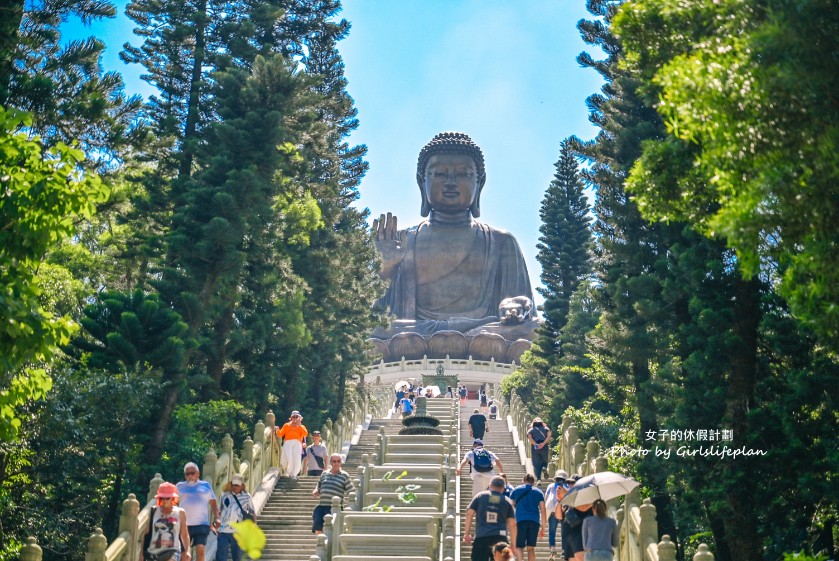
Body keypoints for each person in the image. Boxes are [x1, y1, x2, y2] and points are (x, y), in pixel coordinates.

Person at [371, 132, 537, 337]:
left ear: (480, 182)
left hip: (485, 332)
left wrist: (514, 305)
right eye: (439, 174)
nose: (450, 182)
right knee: (368, 331)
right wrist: (386, 268)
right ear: (421, 182)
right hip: (413, 334)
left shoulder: (501, 241)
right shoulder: (403, 242)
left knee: (535, 330)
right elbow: (375, 315)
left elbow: (519, 305)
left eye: (463, 174)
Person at [463, 476, 517, 561]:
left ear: (490, 486)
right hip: (500, 538)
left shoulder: (480, 496)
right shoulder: (507, 501)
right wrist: (513, 545)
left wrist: (467, 533)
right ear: (503, 488)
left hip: (481, 536)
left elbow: (469, 514)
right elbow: (512, 524)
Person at [176, 463, 218, 561]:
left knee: (201, 550)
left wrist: (217, 518)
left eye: (192, 473)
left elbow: (214, 504)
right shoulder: (179, 486)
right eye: (187, 474)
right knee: (185, 554)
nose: (190, 476)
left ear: (198, 474)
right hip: (184, 525)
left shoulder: (206, 485)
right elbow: (173, 504)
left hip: (201, 525)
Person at [144, 482, 190, 561]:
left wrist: (187, 551)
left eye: (167, 498)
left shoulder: (180, 512)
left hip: (173, 551)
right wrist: (142, 554)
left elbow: (185, 534)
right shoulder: (153, 511)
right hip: (154, 552)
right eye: (162, 498)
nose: (164, 500)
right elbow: (146, 534)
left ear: (172, 498)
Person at [311, 454, 355, 535]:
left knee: (332, 530)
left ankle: (327, 545)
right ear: (331, 462)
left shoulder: (344, 475)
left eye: (338, 461)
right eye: (334, 461)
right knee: (317, 525)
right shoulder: (324, 474)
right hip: (322, 506)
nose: (336, 463)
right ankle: (321, 543)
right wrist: (316, 490)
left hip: (335, 508)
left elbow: (351, 491)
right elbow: (319, 485)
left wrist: (351, 503)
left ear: (341, 462)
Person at [216, 474, 255, 561]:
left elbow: (252, 513)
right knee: (220, 556)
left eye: (237, 485)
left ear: (242, 486)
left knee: (237, 557)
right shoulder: (225, 495)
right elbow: (219, 510)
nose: (235, 487)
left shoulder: (247, 496)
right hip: (223, 529)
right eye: (233, 484)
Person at [510, 474, 547, 561]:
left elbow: (510, 507)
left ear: (523, 480)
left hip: (520, 520)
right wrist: (543, 527)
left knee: (519, 546)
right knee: (531, 548)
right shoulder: (539, 492)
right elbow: (543, 510)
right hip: (534, 521)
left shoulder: (515, 490)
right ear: (533, 482)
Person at [544, 470, 570, 561]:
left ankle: (552, 550)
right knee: (564, 533)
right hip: (563, 511)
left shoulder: (550, 486)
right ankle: (563, 551)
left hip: (552, 511)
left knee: (552, 532)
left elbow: (546, 497)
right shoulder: (567, 486)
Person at [275, 410, 308, 479]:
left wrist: (299, 425)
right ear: (291, 418)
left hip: (297, 443)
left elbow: (305, 434)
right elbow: (281, 434)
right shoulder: (286, 425)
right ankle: (288, 472)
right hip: (288, 443)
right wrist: (277, 430)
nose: (295, 418)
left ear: (299, 418)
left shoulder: (302, 426)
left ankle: (294, 474)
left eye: (297, 417)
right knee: (288, 458)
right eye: (294, 417)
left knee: (296, 459)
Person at [527, 417, 552, 484]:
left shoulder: (531, 430)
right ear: (542, 423)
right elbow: (549, 435)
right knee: (544, 460)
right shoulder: (546, 429)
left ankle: (538, 479)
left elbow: (529, 437)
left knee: (536, 464)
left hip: (535, 448)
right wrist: (543, 444)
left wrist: (536, 444)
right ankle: (544, 467)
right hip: (544, 447)